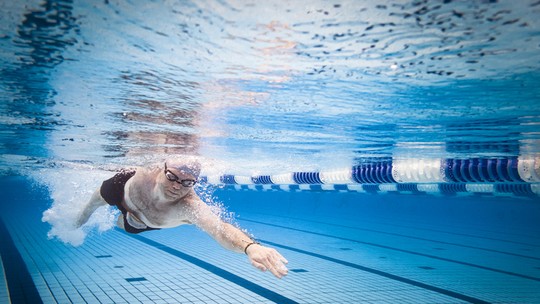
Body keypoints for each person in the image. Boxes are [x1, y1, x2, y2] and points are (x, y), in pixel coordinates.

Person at [76, 159, 288, 279]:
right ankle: (77, 220)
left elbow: (219, 229)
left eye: (187, 183)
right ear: (162, 168)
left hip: (140, 223)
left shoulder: (190, 207)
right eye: (172, 177)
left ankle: (122, 221)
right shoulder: (145, 168)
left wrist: (250, 247)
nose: (177, 186)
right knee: (89, 208)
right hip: (123, 191)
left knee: (122, 224)